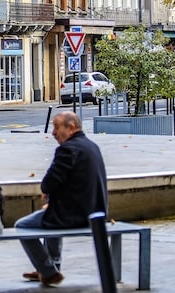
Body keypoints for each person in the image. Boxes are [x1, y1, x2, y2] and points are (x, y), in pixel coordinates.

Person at [15, 111, 108, 286]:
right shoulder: (91, 146)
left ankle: (48, 270)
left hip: (74, 215)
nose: (53, 133)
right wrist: (51, 201)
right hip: (95, 213)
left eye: (57, 127)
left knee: (22, 226)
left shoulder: (67, 150)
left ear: (71, 128)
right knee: (51, 213)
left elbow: (48, 184)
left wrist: (48, 193)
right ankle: (50, 268)